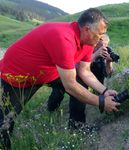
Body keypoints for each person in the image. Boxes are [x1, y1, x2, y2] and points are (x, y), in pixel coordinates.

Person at [0, 8, 120, 149]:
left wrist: (104, 91)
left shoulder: (88, 42)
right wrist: (101, 102)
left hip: (49, 70)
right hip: (19, 74)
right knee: (6, 119)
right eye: (100, 34)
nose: (101, 38)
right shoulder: (63, 37)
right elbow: (70, 85)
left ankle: (77, 129)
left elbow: (85, 72)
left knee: (80, 82)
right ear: (87, 29)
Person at [47, 34, 114, 128]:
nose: (103, 48)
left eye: (105, 45)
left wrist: (108, 62)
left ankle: (76, 125)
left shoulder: (106, 53)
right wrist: (95, 54)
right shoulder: (87, 48)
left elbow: (108, 74)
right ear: (96, 42)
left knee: (79, 97)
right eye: (100, 45)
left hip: (91, 80)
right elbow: (78, 65)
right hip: (73, 76)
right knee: (58, 91)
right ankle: (51, 109)